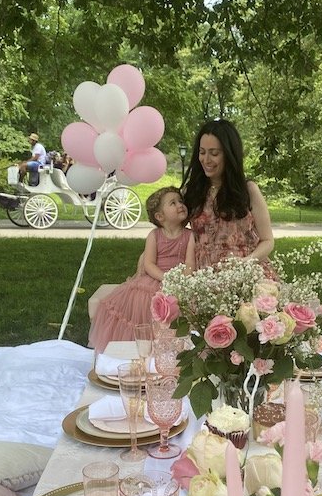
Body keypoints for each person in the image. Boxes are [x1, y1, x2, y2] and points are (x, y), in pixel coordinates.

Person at [88, 186, 194, 350]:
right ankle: (141, 350)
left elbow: (190, 264)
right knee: (142, 303)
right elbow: (149, 263)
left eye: (180, 201)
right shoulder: (154, 235)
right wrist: (166, 278)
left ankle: (167, 351)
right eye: (173, 203)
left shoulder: (190, 236)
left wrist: (180, 282)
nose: (180, 205)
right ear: (160, 216)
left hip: (179, 280)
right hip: (155, 278)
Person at [181, 119, 275, 276]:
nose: (206, 160)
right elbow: (172, 231)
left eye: (214, 153)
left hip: (246, 274)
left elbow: (268, 241)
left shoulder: (248, 190)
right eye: (202, 152)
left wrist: (246, 263)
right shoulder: (191, 192)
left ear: (229, 154)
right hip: (204, 277)